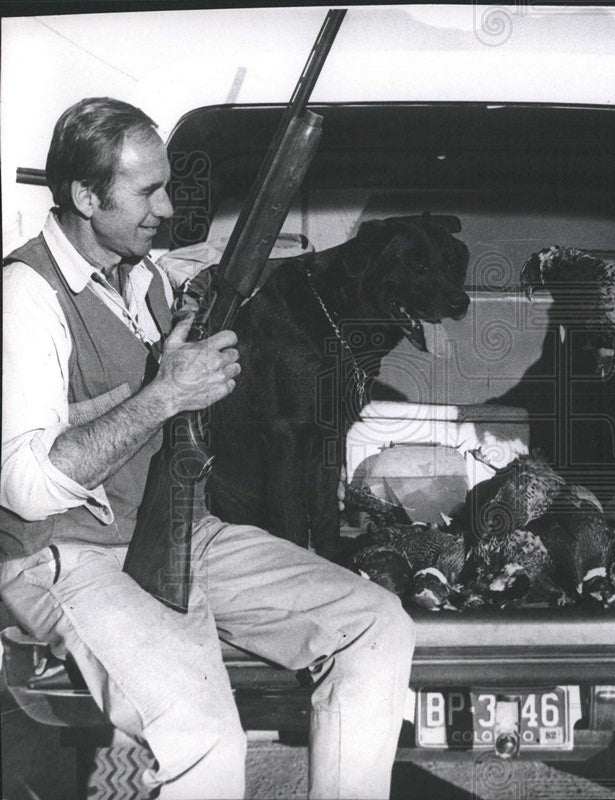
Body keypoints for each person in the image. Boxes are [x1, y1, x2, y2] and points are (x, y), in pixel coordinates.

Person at [1, 97, 415, 800]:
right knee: (207, 741)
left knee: (374, 625)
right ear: (83, 195)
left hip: (175, 532)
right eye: (147, 191)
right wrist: (167, 393)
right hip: (62, 556)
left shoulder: (147, 280)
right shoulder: (25, 294)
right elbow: (25, 486)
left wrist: (193, 362)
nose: (166, 207)